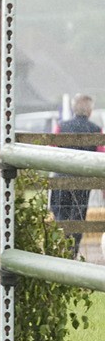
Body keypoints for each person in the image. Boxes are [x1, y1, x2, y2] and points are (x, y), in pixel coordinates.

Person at [49, 93, 101, 257]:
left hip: (61, 180)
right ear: (90, 111)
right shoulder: (96, 130)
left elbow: (51, 151)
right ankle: (72, 254)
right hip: (82, 182)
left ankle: (59, 250)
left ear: (73, 109)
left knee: (60, 215)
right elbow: (101, 157)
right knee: (77, 218)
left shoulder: (61, 127)